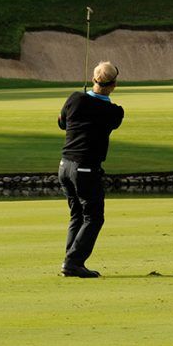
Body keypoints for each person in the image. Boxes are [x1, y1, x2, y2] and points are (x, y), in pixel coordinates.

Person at [57, 61, 125, 278]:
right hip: (85, 169)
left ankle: (71, 261)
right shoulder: (114, 112)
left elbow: (62, 123)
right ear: (114, 84)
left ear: (94, 79)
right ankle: (73, 262)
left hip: (64, 166)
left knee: (78, 214)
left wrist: (83, 99)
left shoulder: (74, 98)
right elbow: (109, 121)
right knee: (94, 217)